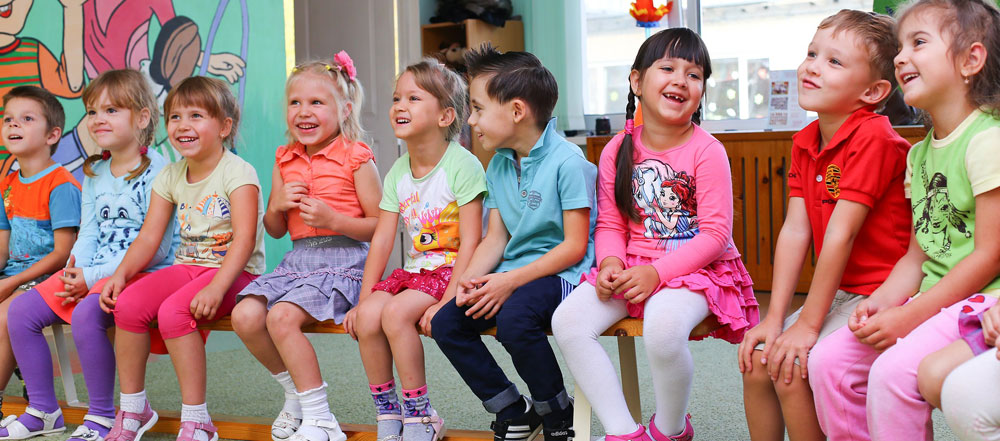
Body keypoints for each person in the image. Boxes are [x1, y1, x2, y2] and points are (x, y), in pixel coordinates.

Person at [806, 0, 1000, 439]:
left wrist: (911, 317)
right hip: (932, 300)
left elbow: (989, 257)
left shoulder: (987, 140)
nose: (900, 56)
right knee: (827, 363)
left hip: (981, 300)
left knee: (892, 375)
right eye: (899, 48)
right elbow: (917, 256)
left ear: (971, 59)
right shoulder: (919, 154)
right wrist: (886, 302)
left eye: (918, 42)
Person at [552, 28, 756, 441]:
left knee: (663, 329)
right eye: (667, 68)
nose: (681, 79)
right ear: (636, 81)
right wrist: (610, 262)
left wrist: (657, 274)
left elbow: (715, 236)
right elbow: (610, 223)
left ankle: (670, 430)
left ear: (701, 91)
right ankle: (624, 432)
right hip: (631, 266)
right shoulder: (616, 150)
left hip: (697, 269)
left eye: (694, 74)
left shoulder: (707, 150)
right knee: (568, 321)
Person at [737, 10, 910, 441]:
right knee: (760, 359)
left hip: (886, 293)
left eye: (834, 61)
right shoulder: (806, 140)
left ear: (873, 91)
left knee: (792, 367)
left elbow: (840, 232)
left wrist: (808, 325)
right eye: (812, 53)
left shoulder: (875, 137)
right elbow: (796, 231)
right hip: (844, 291)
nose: (812, 65)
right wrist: (774, 317)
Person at [430, 45, 596, 441]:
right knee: (446, 322)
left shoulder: (569, 162)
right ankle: (512, 408)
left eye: (478, 108)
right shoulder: (500, 163)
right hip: (513, 273)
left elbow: (573, 247)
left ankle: (557, 413)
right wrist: (468, 282)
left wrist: (509, 282)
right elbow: (496, 238)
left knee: (514, 320)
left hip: (562, 273)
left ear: (517, 111)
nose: (471, 120)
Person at [99, 76, 265, 441]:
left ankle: (197, 417)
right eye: (175, 117)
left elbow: (244, 240)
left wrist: (219, 286)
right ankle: (133, 407)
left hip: (237, 272)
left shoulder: (239, 173)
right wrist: (122, 275)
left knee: (175, 311)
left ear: (224, 127)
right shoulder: (171, 174)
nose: (183, 125)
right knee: (126, 305)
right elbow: (149, 236)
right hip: (187, 268)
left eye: (196, 116)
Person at [231, 52, 379, 441]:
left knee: (280, 317)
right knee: (245, 316)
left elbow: (383, 226)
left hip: (345, 260)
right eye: (295, 103)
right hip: (298, 262)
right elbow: (276, 231)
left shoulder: (357, 157)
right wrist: (276, 206)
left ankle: (320, 419)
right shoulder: (285, 158)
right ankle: (295, 394)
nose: (303, 111)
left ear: (344, 109)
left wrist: (336, 221)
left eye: (316, 102)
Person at [344, 58, 485, 441]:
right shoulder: (397, 172)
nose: (399, 106)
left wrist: (448, 300)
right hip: (417, 273)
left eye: (413, 98)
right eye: (396, 98)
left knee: (393, 315)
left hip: (453, 270)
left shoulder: (463, 165)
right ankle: (388, 412)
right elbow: (383, 240)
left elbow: (473, 240)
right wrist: (362, 298)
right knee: (370, 316)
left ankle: (422, 414)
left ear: (444, 116)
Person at [0, 85, 81, 418]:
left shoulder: (61, 185)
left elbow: (63, 254)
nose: (13, 125)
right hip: (16, 276)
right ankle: (20, 364)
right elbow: (3, 247)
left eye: (26, 119)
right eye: (8, 119)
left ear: (52, 135)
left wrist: (10, 283)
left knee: (4, 316)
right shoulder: (8, 183)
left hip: (51, 279)